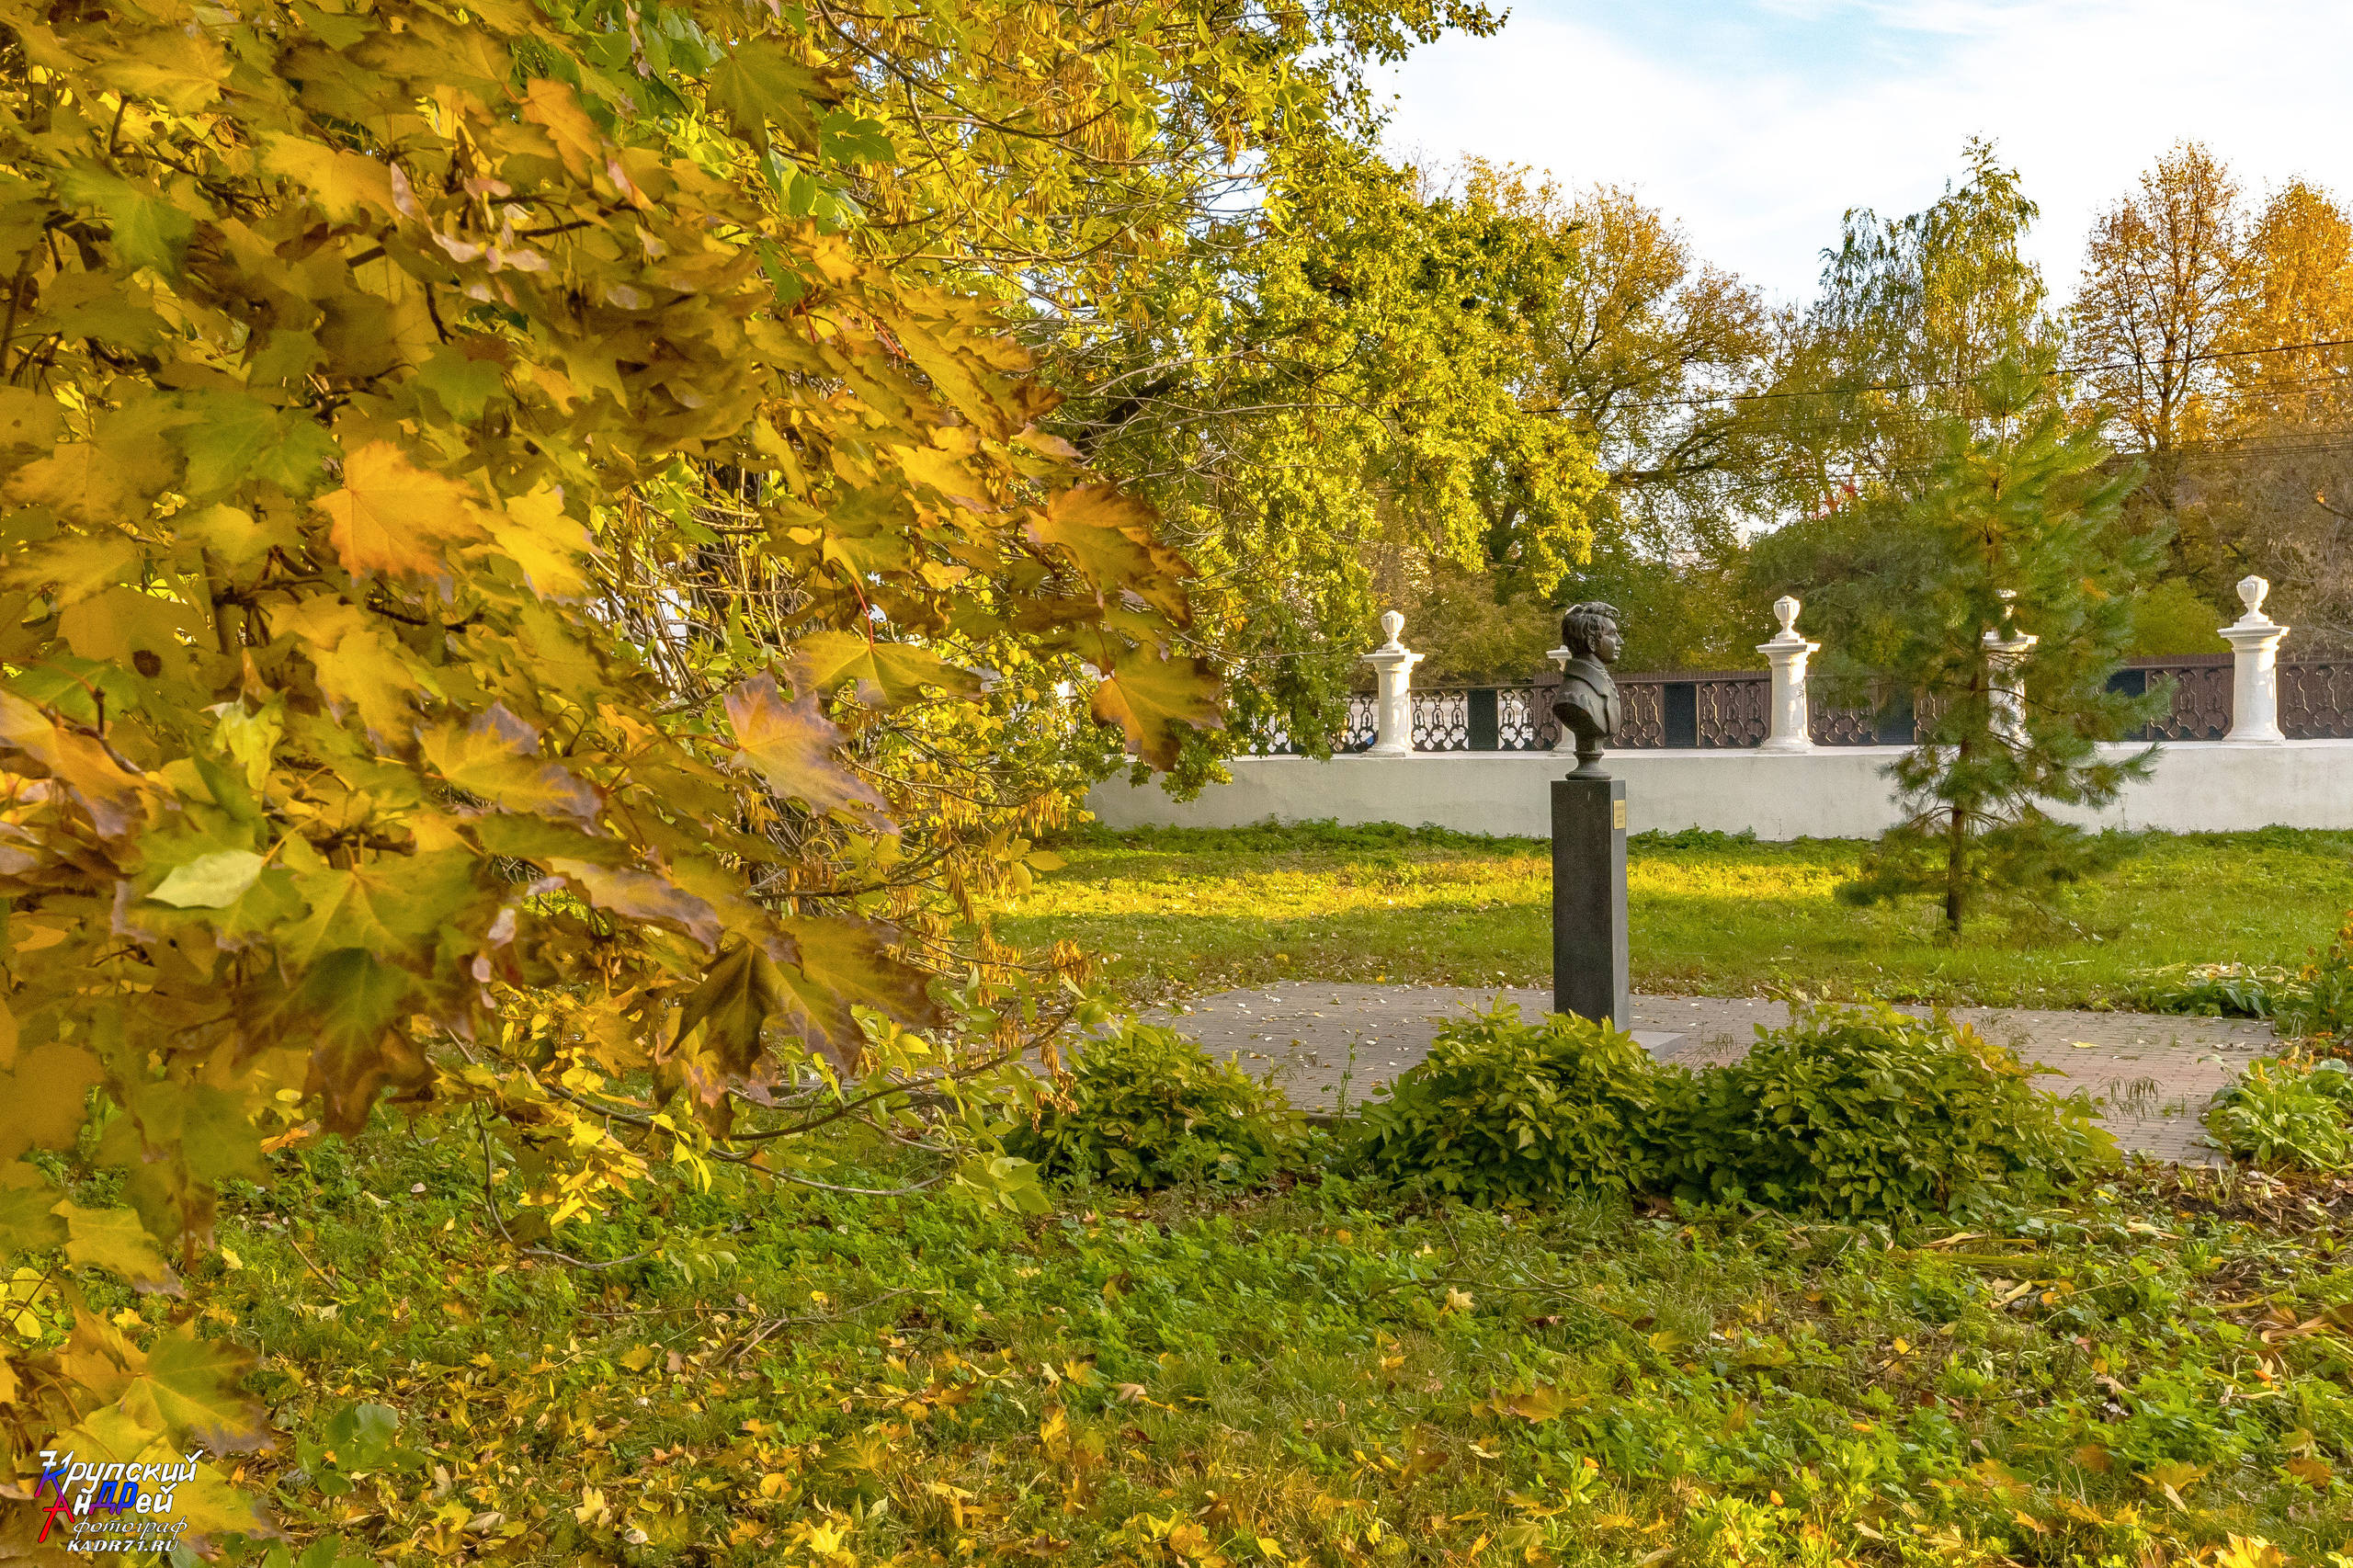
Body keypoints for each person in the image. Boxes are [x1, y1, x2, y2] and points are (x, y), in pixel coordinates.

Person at [1552, 601, 1622, 777]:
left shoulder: (1600, 685)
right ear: (1591, 642)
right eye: (1612, 634)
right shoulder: (1573, 697)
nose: (1620, 641)